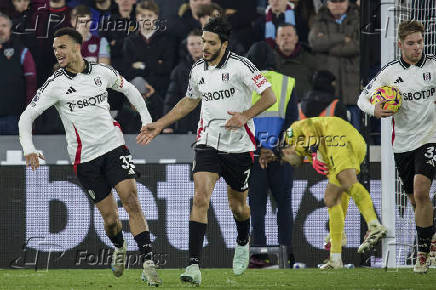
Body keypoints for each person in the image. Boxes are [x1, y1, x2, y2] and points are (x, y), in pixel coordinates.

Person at [18, 27, 161, 286]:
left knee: (131, 199)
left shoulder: (101, 72)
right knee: (111, 220)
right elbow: (26, 116)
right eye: (54, 49)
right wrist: (28, 148)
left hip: (114, 146)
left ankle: (148, 261)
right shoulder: (55, 84)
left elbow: (129, 89)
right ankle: (119, 247)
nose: (57, 52)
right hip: (85, 160)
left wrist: (147, 119)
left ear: (76, 47)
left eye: (61, 47)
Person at [138, 17, 276, 285]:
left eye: (211, 43)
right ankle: (193, 266)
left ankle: (242, 240)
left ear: (224, 44)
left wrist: (245, 116)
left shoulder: (241, 66)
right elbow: (189, 101)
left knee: (238, 207)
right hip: (207, 143)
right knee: (200, 198)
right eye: (203, 41)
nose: (205, 47)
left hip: (239, 147)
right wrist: (160, 124)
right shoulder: (197, 69)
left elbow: (270, 96)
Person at [358, 20, 436, 273]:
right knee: (415, 201)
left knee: (421, 191)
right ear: (400, 44)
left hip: (430, 137)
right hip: (402, 143)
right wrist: (375, 109)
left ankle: (423, 254)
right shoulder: (389, 73)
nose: (417, 48)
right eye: (411, 43)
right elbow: (362, 99)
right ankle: (431, 238)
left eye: (420, 42)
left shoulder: (433, 66)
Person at [279, 117, 387, 269]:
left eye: (286, 160)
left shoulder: (292, 134)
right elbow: (343, 198)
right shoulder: (314, 155)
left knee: (349, 183)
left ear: (286, 150)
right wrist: (338, 230)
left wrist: (314, 152)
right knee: (332, 197)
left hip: (337, 136)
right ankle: (335, 259)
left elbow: (309, 127)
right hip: (352, 143)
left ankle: (374, 225)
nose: (290, 164)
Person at [245, 41, 298, 268]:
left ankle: (259, 255)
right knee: (284, 204)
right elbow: (293, 122)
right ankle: (287, 255)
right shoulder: (286, 82)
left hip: (253, 155)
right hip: (280, 154)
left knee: (257, 206)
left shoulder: (245, 84)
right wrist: (274, 149)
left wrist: (260, 150)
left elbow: (242, 120)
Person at [308, 0, 360, 129]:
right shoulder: (318, 19)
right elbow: (315, 42)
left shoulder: (358, 18)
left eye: (341, 1)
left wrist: (328, 48)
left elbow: (357, 45)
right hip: (327, 88)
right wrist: (343, 38)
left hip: (352, 89)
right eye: (334, 1)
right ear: (327, 3)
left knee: (355, 133)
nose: (338, 4)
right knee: (329, 135)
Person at [123, 0, 176, 121]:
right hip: (138, 92)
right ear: (137, 17)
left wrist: (142, 66)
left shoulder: (167, 39)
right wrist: (156, 63)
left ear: (156, 17)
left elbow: (167, 68)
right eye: (143, 16)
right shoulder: (130, 41)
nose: (146, 19)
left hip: (161, 91)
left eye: (150, 15)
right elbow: (128, 71)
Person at [0, 12, 37, 135]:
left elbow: (31, 82)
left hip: (14, 117)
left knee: (13, 153)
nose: (0, 29)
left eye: (4, 26)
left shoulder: (21, 51)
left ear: (10, 29)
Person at [163, 29, 203, 134]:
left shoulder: (218, 68)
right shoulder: (180, 70)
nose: (195, 47)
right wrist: (168, 124)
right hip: (187, 123)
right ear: (187, 46)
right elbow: (172, 99)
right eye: (192, 44)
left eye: (199, 43)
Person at [274, 24, 316, 101]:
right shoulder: (269, 61)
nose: (285, 38)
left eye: (289, 35)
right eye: (282, 36)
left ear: (296, 39)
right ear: (276, 40)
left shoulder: (310, 60)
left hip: (303, 107)